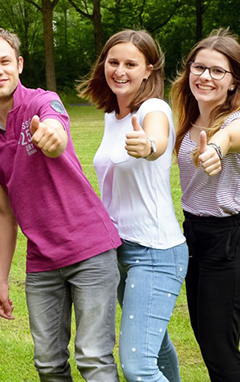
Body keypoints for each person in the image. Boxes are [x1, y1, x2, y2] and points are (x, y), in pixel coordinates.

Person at [0, 28, 123, 381]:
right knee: (48, 363)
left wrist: (53, 136)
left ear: (19, 64)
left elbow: (55, 127)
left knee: (94, 358)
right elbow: (4, 213)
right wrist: (0, 280)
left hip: (90, 250)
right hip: (41, 262)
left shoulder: (42, 102)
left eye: (5, 61)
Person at [79, 30, 186, 382]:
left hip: (154, 251)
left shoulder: (154, 109)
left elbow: (156, 140)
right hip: (118, 249)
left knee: (138, 367)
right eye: (113, 62)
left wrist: (149, 146)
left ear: (148, 69)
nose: (120, 71)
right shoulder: (113, 117)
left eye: (130, 64)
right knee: (157, 349)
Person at [169, 31, 240, 382]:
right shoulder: (188, 120)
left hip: (234, 240)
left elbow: (234, 135)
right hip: (197, 237)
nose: (205, 77)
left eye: (217, 71)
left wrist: (217, 147)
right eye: (199, 68)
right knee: (211, 345)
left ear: (234, 81)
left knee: (221, 352)